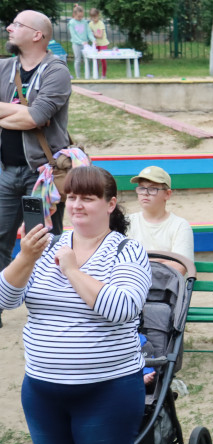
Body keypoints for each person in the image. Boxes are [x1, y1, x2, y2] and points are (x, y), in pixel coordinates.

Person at [0, 165, 151, 444]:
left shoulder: (128, 251)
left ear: (110, 204)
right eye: (72, 198)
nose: (78, 205)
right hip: (44, 390)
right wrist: (26, 257)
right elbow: (5, 301)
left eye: (89, 198)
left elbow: (122, 308)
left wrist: (71, 269)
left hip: (107, 390)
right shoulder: (43, 247)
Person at [0, 10, 72, 328]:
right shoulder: (4, 68)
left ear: (37, 35)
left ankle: (51, 305)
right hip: (5, 171)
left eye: (16, 25)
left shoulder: (57, 71)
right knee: (0, 238)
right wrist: (17, 112)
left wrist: (23, 114)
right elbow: (27, 115)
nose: (9, 28)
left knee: (45, 239)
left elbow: (35, 118)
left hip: (41, 175)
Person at [126, 165, 194, 274]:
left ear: (167, 194)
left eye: (152, 188)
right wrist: (163, 261)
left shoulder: (180, 226)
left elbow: (180, 267)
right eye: (141, 188)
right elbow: (120, 264)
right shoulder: (127, 222)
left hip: (168, 289)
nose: (145, 193)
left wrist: (139, 263)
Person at [67, 5, 89, 80]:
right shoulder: (72, 23)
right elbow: (74, 35)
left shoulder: (84, 22)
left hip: (85, 44)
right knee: (78, 59)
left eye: (81, 16)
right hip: (76, 44)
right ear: (74, 15)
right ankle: (78, 76)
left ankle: (87, 75)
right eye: (78, 16)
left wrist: (93, 39)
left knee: (87, 59)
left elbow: (88, 32)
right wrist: (81, 42)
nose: (80, 18)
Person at [87, 8, 108, 78]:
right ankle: (96, 74)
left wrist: (93, 33)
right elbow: (89, 34)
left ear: (98, 15)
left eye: (95, 17)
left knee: (103, 59)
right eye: (92, 18)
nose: (94, 19)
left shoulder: (100, 24)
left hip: (103, 44)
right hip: (95, 44)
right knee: (96, 60)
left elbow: (100, 36)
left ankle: (103, 75)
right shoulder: (90, 24)